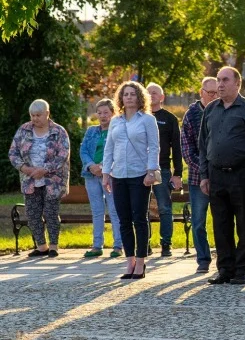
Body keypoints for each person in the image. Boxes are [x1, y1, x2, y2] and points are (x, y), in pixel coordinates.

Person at [199, 66, 245, 285]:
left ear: (237, 83)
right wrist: (204, 175)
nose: (220, 84)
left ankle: (244, 270)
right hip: (216, 175)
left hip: (243, 175)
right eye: (218, 80)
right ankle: (225, 269)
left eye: (225, 80)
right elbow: (203, 145)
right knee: (221, 224)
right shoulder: (210, 110)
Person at [102, 82, 160, 279]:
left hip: (139, 175)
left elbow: (154, 147)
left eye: (132, 94)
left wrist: (151, 171)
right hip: (118, 175)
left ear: (139, 97)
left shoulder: (147, 120)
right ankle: (129, 262)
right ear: (121, 98)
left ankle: (141, 263)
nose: (128, 97)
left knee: (139, 218)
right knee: (123, 220)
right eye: (125, 94)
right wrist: (105, 174)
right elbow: (108, 149)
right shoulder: (115, 121)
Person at [8, 99, 71, 258]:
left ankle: (54, 246)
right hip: (29, 179)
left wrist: (44, 170)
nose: (35, 118)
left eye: (38, 115)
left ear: (47, 113)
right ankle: (41, 246)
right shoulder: (24, 130)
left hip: (53, 180)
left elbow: (63, 155)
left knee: (50, 213)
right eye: (32, 115)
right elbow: (13, 153)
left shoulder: (59, 131)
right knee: (32, 213)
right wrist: (25, 168)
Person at [181, 76, 219, 273]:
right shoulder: (191, 115)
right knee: (198, 222)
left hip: (223, 177)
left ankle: (226, 258)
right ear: (201, 92)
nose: (213, 96)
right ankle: (203, 259)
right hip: (198, 179)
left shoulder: (223, 110)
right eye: (209, 92)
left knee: (223, 220)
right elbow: (187, 150)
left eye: (216, 92)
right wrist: (205, 171)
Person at [80, 99, 123, 258]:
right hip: (91, 175)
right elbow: (83, 150)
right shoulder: (91, 131)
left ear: (113, 113)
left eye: (106, 113)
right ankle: (97, 245)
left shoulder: (117, 130)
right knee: (97, 211)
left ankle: (118, 245)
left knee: (114, 210)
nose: (102, 116)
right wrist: (91, 165)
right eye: (99, 113)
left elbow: (118, 151)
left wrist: (104, 166)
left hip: (111, 175)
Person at [145, 83, 183, 256]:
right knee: (141, 208)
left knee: (164, 208)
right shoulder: (139, 118)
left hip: (163, 169)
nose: (151, 95)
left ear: (162, 97)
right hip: (140, 170)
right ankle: (144, 244)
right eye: (148, 93)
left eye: (155, 93)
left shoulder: (169, 118)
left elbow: (177, 148)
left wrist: (178, 173)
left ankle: (166, 243)